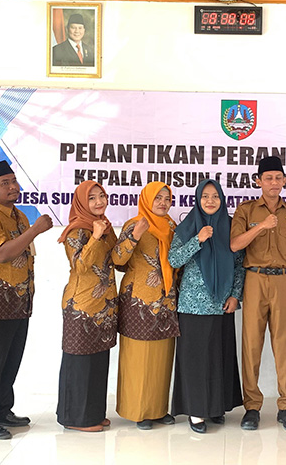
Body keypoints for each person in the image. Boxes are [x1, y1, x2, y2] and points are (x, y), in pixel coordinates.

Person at [0, 160, 53, 440]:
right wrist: (35, 230)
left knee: (10, 359)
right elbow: (2, 253)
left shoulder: (19, 216)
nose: (13, 187)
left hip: (19, 300)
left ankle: (3, 409)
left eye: (13, 181)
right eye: (5, 183)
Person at [230, 156, 286, 432]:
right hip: (254, 279)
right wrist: (261, 226)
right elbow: (235, 245)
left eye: (278, 178)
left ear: (284, 180)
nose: (273, 183)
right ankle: (252, 407)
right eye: (268, 178)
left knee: (284, 346)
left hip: (284, 282)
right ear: (258, 181)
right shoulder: (246, 211)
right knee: (251, 344)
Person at [168, 179, 245, 434]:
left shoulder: (231, 226)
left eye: (215, 196)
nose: (210, 201)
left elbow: (240, 264)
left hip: (222, 304)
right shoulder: (187, 226)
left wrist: (235, 295)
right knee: (195, 359)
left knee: (218, 357)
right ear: (197, 199)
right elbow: (173, 259)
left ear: (222, 200)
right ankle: (196, 410)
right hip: (193, 305)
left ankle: (216, 407)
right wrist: (197, 240)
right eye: (205, 196)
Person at [112, 182, 179, 429]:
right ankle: (138, 411)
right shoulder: (134, 224)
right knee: (138, 358)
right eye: (157, 198)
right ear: (147, 199)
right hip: (138, 301)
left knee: (161, 358)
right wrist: (135, 236)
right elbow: (117, 260)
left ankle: (158, 410)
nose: (163, 203)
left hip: (166, 301)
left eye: (167, 198)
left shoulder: (171, 226)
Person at [56, 180, 118, 432]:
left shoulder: (105, 225)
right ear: (81, 202)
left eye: (101, 196)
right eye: (91, 198)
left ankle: (93, 414)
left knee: (98, 360)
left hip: (103, 305)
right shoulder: (76, 231)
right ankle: (75, 419)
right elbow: (80, 265)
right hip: (81, 305)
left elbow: (116, 259)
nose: (99, 202)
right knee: (79, 362)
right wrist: (95, 236)